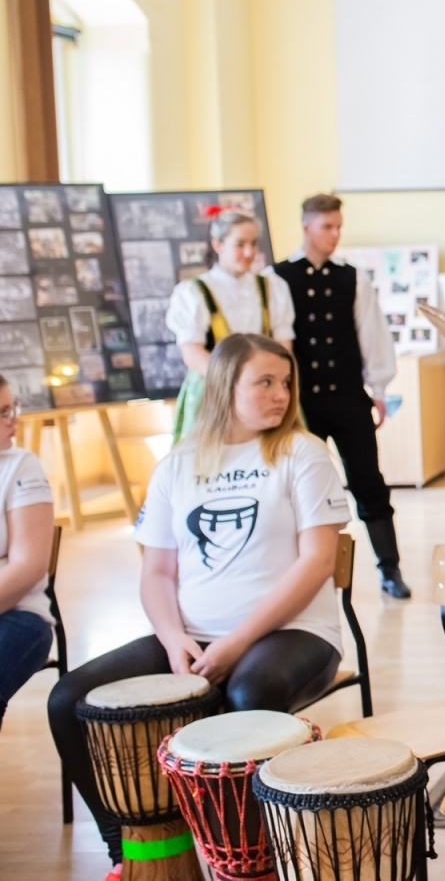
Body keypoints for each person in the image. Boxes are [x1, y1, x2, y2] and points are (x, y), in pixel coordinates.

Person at [48, 334, 349, 873]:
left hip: (296, 632)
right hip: (192, 635)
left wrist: (235, 643)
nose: (281, 394)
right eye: (264, 382)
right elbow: (157, 571)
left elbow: (317, 564)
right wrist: (173, 639)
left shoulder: (303, 452)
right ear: (223, 385)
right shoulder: (178, 463)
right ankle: (127, 852)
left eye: (285, 383)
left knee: (248, 689)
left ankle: (246, 859)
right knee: (71, 699)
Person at [273, 194, 409, 598]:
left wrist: (379, 390)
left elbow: (372, 337)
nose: (334, 235)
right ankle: (299, 576)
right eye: (326, 227)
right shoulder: (277, 278)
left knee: (369, 481)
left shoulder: (353, 279)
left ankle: (390, 570)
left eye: (338, 227)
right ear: (306, 227)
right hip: (302, 404)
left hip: (349, 399)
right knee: (298, 488)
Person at [166, 209, 295, 440]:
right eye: (240, 244)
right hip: (214, 392)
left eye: (254, 244)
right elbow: (192, 352)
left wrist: (269, 382)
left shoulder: (272, 288)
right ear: (217, 244)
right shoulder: (194, 292)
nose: (249, 252)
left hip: (264, 392)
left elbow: (283, 346)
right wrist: (236, 384)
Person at [0, 374, 57, 729]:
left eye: (12, 408)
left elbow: (29, 565)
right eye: (3, 412)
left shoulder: (20, 465)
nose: (14, 420)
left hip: (18, 613)